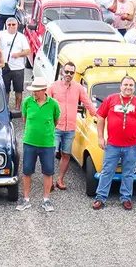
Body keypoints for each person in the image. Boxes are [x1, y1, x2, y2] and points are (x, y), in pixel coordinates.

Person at [92, 76, 136, 210]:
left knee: (128, 173)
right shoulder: (110, 99)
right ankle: (100, 197)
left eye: (131, 85)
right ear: (120, 86)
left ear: (134, 88)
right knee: (107, 171)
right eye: (125, 85)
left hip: (132, 146)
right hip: (112, 145)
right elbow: (100, 117)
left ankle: (126, 198)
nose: (128, 87)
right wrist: (100, 137)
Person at [16, 78, 60, 212]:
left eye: (36, 91)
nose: (33, 93)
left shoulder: (53, 104)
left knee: (48, 171)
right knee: (27, 171)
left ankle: (46, 199)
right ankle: (26, 199)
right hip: (29, 142)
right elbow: (24, 119)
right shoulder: (27, 102)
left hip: (47, 144)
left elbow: (55, 120)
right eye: (33, 91)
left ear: (43, 90)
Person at [48, 62, 94, 190]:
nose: (68, 74)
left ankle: (60, 179)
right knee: (52, 153)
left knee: (66, 154)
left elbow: (88, 103)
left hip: (70, 128)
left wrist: (98, 115)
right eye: (67, 71)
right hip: (55, 127)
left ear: (74, 74)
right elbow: (45, 105)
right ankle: (49, 180)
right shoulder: (53, 87)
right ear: (62, 71)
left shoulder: (78, 88)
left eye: (71, 73)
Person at [0, 18, 30, 110]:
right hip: (6, 67)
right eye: (9, 25)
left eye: (13, 24)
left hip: (18, 68)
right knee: (5, 90)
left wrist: (18, 54)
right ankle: (5, 108)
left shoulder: (21, 37)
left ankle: (17, 108)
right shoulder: (1, 34)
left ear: (17, 26)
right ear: (6, 25)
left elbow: (27, 51)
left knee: (19, 90)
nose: (11, 26)